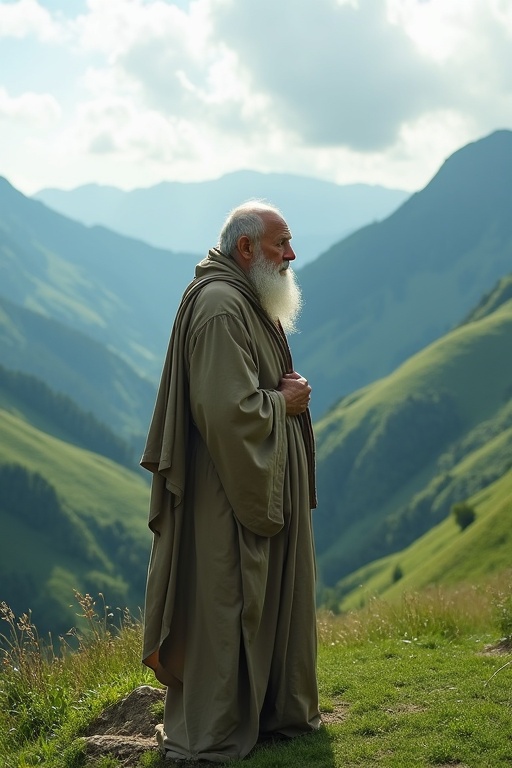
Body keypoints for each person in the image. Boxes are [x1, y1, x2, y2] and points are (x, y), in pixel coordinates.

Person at [140, 200, 321, 762]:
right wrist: (284, 402)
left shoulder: (245, 299)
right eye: (281, 243)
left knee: (255, 601)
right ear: (246, 249)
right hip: (230, 496)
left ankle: (272, 711)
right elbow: (228, 415)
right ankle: (218, 730)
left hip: (252, 480)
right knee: (228, 603)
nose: (291, 255)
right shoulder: (222, 307)